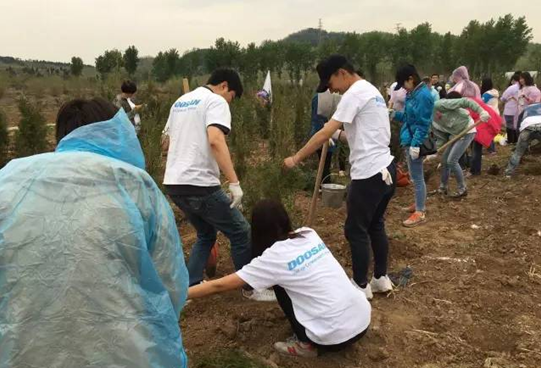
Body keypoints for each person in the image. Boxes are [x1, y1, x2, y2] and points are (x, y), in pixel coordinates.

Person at [0, 99, 189, 368]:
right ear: (116, 134)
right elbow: (170, 280)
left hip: (22, 351)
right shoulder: (134, 184)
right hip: (127, 353)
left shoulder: (8, 180)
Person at [188, 200, 371, 357]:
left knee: (279, 286)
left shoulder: (272, 259)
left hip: (332, 337)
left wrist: (180, 293)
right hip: (362, 320)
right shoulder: (308, 234)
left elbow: (218, 286)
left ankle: (305, 345)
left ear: (257, 230)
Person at [283, 55, 396, 300]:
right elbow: (363, 134)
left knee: (355, 230)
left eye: (331, 81)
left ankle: (360, 286)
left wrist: (296, 158)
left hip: (368, 175)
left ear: (342, 73)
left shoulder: (354, 93)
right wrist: (340, 136)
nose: (332, 89)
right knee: (375, 225)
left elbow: (324, 131)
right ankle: (380, 279)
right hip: (386, 170)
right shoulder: (372, 90)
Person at [162, 68, 274, 301]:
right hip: (199, 184)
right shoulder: (215, 101)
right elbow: (215, 139)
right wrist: (234, 182)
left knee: (205, 233)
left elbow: (165, 143)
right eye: (232, 96)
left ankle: (190, 287)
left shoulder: (180, 102)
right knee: (241, 232)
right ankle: (251, 289)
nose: (229, 103)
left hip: (174, 183)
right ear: (224, 86)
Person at [392, 64, 434, 227]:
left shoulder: (423, 96)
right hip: (408, 138)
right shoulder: (413, 94)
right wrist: (395, 114)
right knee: (415, 176)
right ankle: (418, 203)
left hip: (414, 141)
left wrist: (416, 144)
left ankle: (420, 211)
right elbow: (410, 118)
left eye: (404, 84)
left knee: (417, 177)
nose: (403, 88)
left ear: (411, 79)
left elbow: (423, 124)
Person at [432, 92, 490, 196]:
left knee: (452, 161)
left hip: (467, 130)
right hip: (455, 134)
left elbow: (465, 101)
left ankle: (462, 189)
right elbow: (441, 138)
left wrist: (482, 111)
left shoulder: (439, 105)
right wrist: (434, 151)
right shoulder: (430, 121)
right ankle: (443, 187)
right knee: (445, 161)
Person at [310, 89, 346, 183]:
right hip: (322, 133)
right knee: (324, 161)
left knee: (326, 160)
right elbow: (317, 118)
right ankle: (324, 183)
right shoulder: (319, 99)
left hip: (327, 133)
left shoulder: (332, 98)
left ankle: (324, 182)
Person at [505, 103, 541, 177]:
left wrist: (519, 138)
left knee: (518, 152)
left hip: (527, 127)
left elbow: (518, 123)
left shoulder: (527, 107)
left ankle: (508, 174)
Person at [501, 72, 522, 144]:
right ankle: (516, 140)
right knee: (516, 125)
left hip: (510, 109)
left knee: (509, 125)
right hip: (519, 109)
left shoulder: (512, 87)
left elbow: (503, 98)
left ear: (513, 80)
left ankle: (510, 140)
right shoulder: (522, 87)